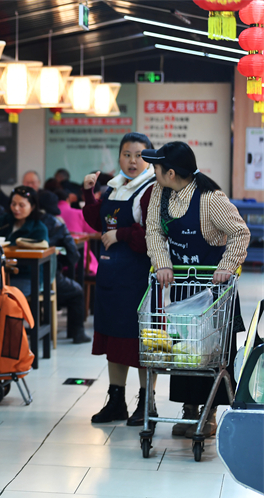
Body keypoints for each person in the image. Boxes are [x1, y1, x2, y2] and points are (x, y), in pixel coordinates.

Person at [144, 141, 250, 437]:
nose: (154, 172)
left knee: (211, 352)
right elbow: (153, 228)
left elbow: (240, 232)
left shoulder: (210, 198)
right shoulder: (160, 193)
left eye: (156, 167)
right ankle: (189, 408)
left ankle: (210, 411)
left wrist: (227, 266)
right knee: (184, 350)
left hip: (213, 290)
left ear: (171, 172)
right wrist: (162, 262)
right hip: (182, 289)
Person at [82, 132, 158, 426]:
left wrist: (122, 235)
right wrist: (89, 193)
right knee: (114, 339)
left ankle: (146, 403)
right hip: (110, 275)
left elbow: (154, 235)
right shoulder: (115, 188)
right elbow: (98, 221)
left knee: (140, 343)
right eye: (126, 154)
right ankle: (116, 401)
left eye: (139, 155)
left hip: (138, 277)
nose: (132, 161)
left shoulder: (151, 190)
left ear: (149, 158)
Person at [37, 191, 91, 344]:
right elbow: (73, 255)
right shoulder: (56, 223)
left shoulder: (18, 221)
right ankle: (76, 333)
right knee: (76, 291)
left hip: (15, 278)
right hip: (46, 278)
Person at [0, 186, 50, 296]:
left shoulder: (39, 228)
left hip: (26, 276)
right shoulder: (7, 220)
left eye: (21, 205)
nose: (16, 209)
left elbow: (42, 248)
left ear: (32, 207)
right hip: (3, 273)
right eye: (13, 204)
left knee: (3, 297)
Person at [56, 188, 98, 277]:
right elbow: (96, 229)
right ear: (68, 200)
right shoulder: (78, 213)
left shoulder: (49, 217)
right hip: (80, 261)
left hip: (57, 262)